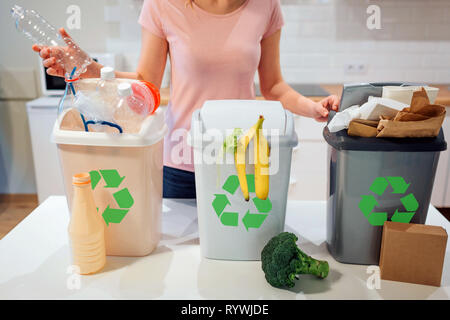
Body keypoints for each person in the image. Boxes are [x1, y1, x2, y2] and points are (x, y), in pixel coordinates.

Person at [33, 0, 339, 199]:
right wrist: (90, 69)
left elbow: (274, 87)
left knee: (236, 258)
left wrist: (312, 108)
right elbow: (146, 83)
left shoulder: (265, 6)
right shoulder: (162, 5)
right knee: (182, 266)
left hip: (241, 159)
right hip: (181, 160)